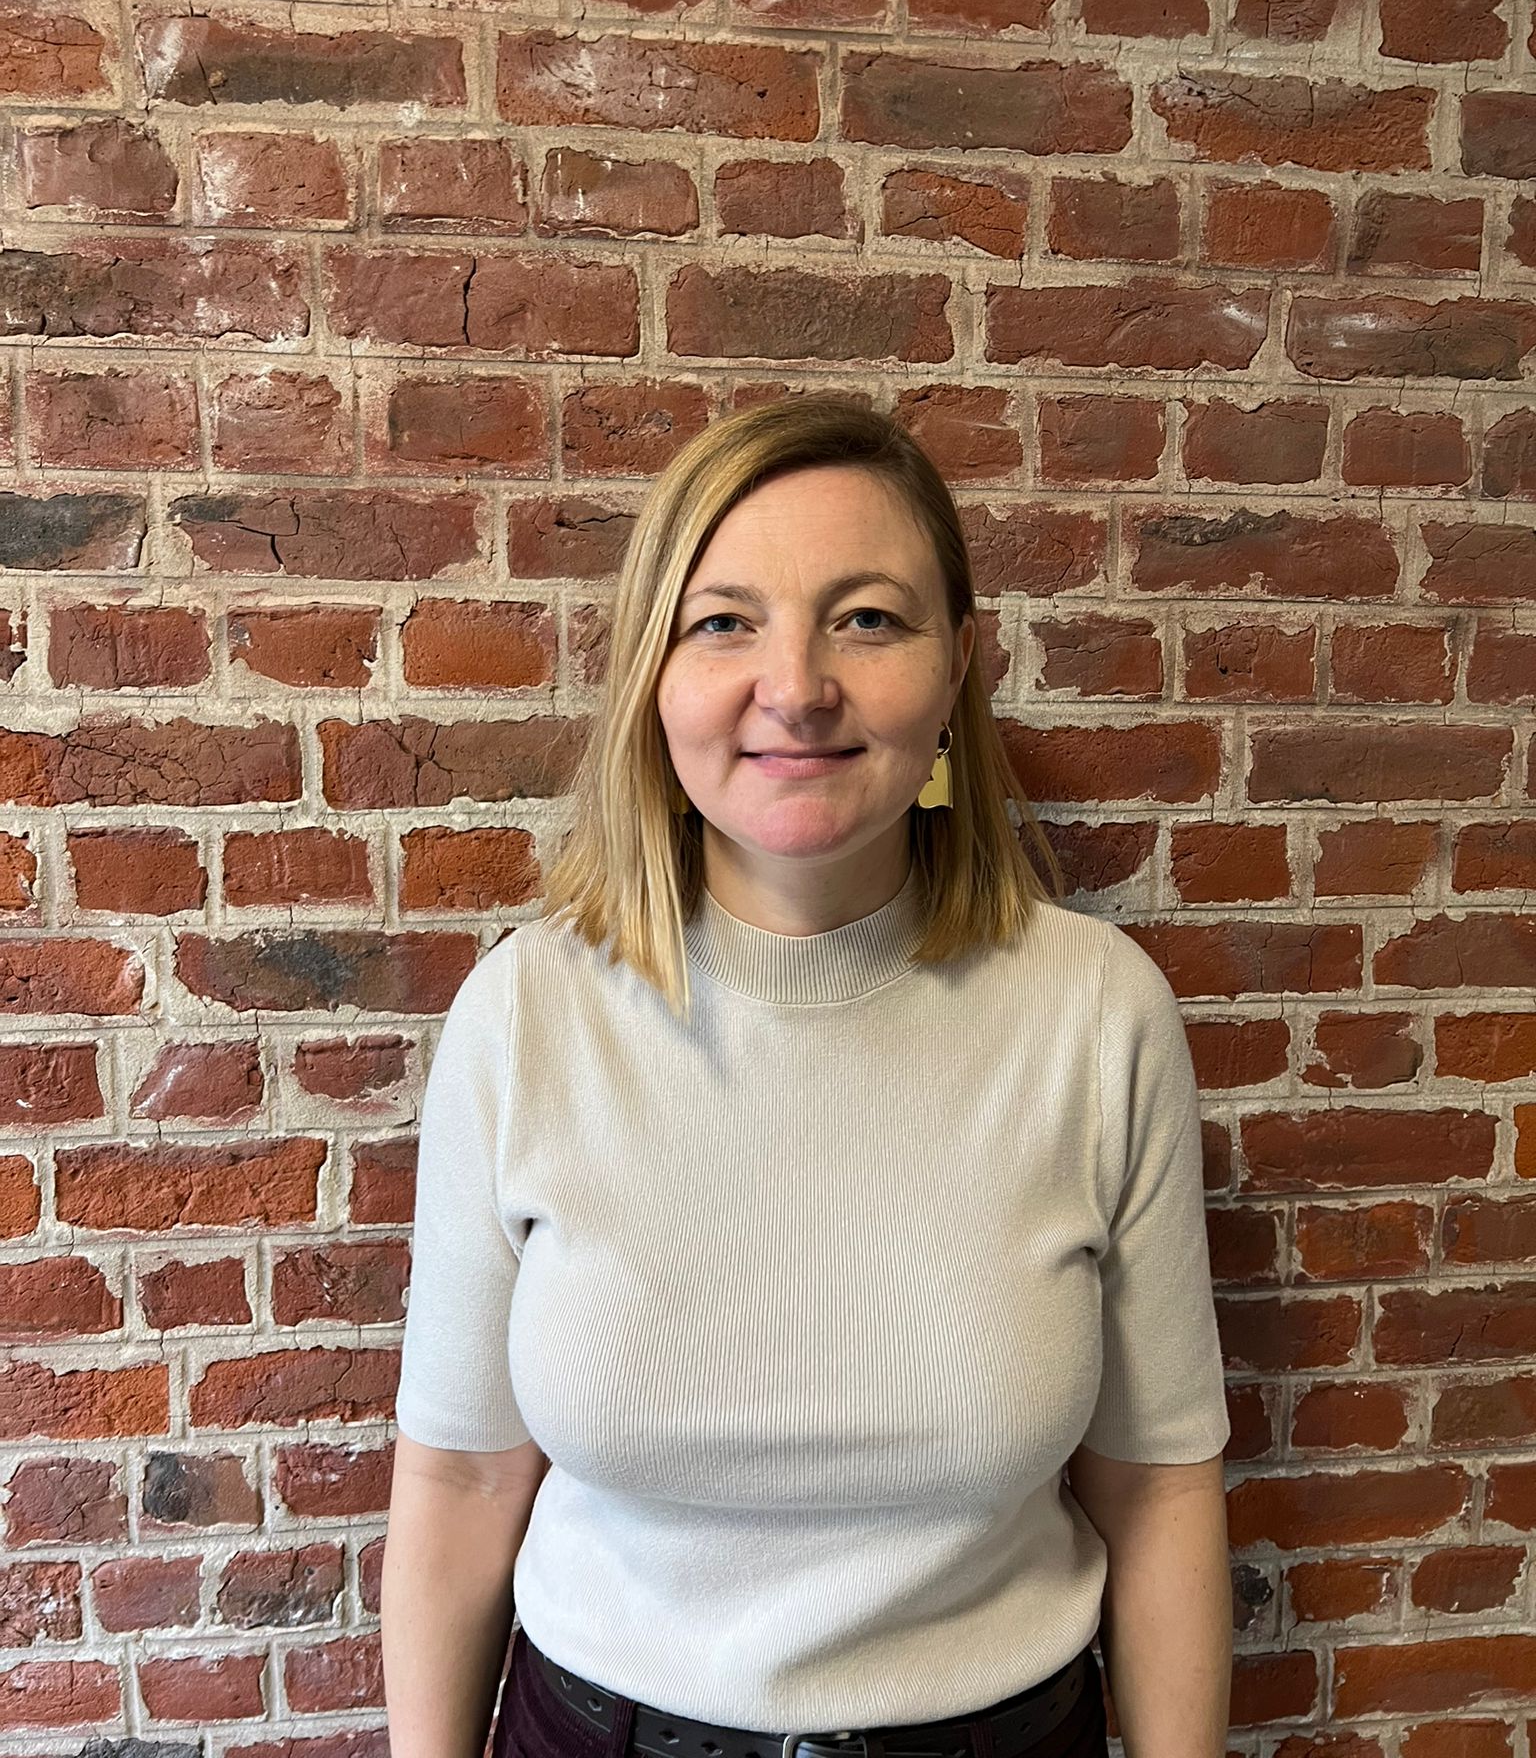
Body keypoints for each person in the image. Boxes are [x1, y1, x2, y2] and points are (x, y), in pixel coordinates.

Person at [380, 395, 1233, 1758]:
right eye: (725, 622)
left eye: (869, 619)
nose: (796, 686)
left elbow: (1160, 1491)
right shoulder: (528, 1015)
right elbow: (463, 1481)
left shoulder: (1096, 1016)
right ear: (653, 674)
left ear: (959, 666)